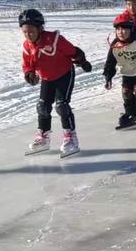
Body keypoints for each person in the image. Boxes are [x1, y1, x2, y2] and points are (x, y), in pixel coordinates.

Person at [20, 9, 92, 158]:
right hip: (47, 78)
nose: (28, 35)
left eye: (31, 31)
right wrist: (29, 73)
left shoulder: (54, 40)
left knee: (61, 105)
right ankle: (43, 137)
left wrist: (82, 61)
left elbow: (73, 51)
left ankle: (70, 137)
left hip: (64, 74)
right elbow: (28, 64)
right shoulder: (27, 46)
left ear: (40, 28)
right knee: (42, 106)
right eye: (25, 32)